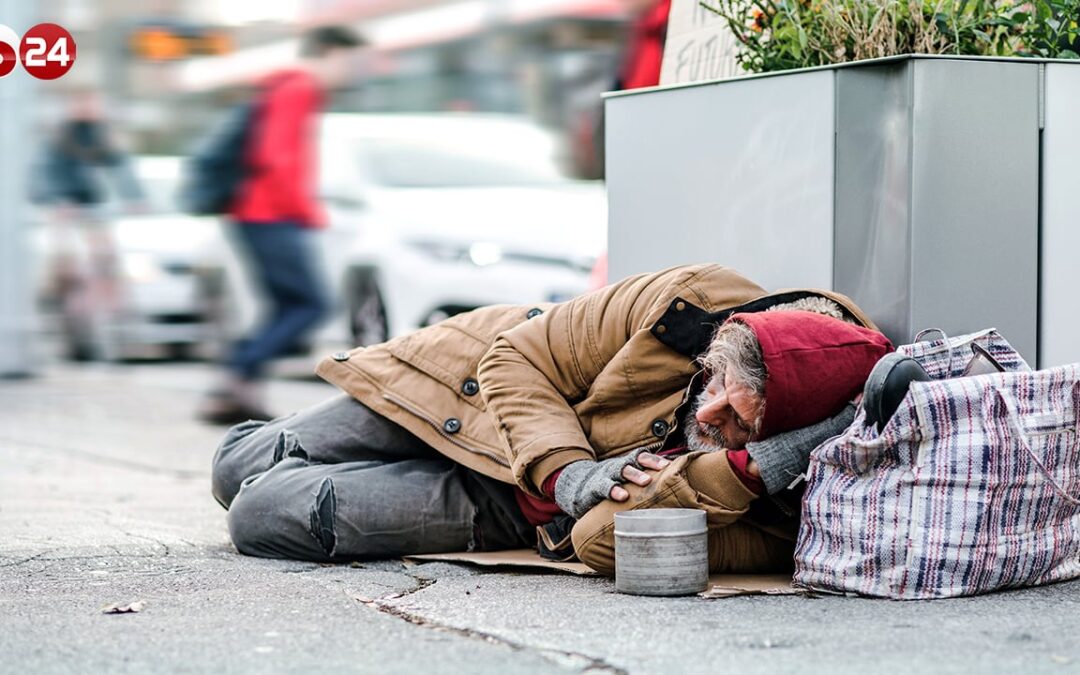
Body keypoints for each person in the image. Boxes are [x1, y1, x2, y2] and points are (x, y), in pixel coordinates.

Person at [210, 264, 891, 573]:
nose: (708, 415)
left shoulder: (786, 502)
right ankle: (327, 449)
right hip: (467, 387)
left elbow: (600, 540)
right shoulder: (692, 300)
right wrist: (571, 475)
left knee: (260, 513)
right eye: (714, 384)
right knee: (234, 466)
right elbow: (516, 358)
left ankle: (348, 472)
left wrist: (749, 468)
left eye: (741, 422)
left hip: (502, 502)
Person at [199, 26, 365, 425]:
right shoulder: (299, 88)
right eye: (350, 61)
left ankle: (240, 393)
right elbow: (276, 158)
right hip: (269, 214)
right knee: (312, 304)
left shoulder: (287, 87)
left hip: (259, 213)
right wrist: (305, 211)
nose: (353, 71)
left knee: (286, 306)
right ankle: (236, 373)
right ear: (327, 53)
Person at [37, 90, 145, 361]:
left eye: (92, 103)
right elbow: (47, 171)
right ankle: (59, 298)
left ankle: (115, 310)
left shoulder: (102, 135)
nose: (89, 108)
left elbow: (121, 167)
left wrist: (135, 198)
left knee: (107, 257)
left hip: (96, 209)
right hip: (67, 208)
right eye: (83, 103)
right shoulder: (60, 137)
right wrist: (57, 200)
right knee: (64, 261)